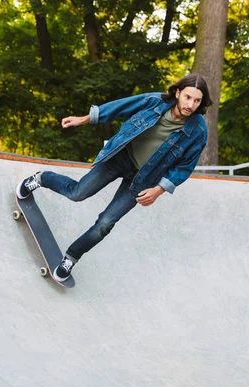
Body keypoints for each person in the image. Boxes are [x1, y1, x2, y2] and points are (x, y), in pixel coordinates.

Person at [16, 74, 211, 282]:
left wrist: (159, 190)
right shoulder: (155, 102)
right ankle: (42, 178)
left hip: (143, 180)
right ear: (178, 93)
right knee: (77, 193)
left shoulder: (198, 131)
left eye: (197, 101)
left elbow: (184, 167)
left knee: (105, 224)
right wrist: (85, 118)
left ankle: (71, 257)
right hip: (119, 158)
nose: (190, 105)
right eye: (188, 97)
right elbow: (122, 107)